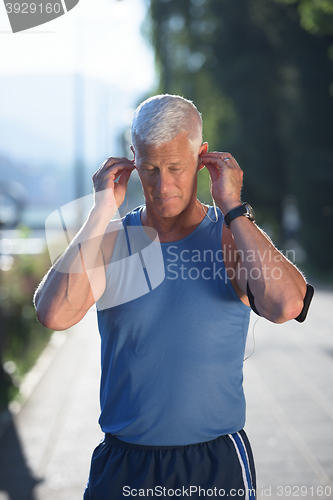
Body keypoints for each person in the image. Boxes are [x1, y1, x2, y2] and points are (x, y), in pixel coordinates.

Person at [34, 94, 312, 499]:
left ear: (202, 157)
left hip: (214, 464)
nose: (163, 186)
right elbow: (53, 314)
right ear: (133, 160)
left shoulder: (229, 238)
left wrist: (233, 207)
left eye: (176, 168)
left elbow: (288, 305)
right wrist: (100, 211)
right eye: (149, 169)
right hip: (124, 463)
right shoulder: (112, 243)